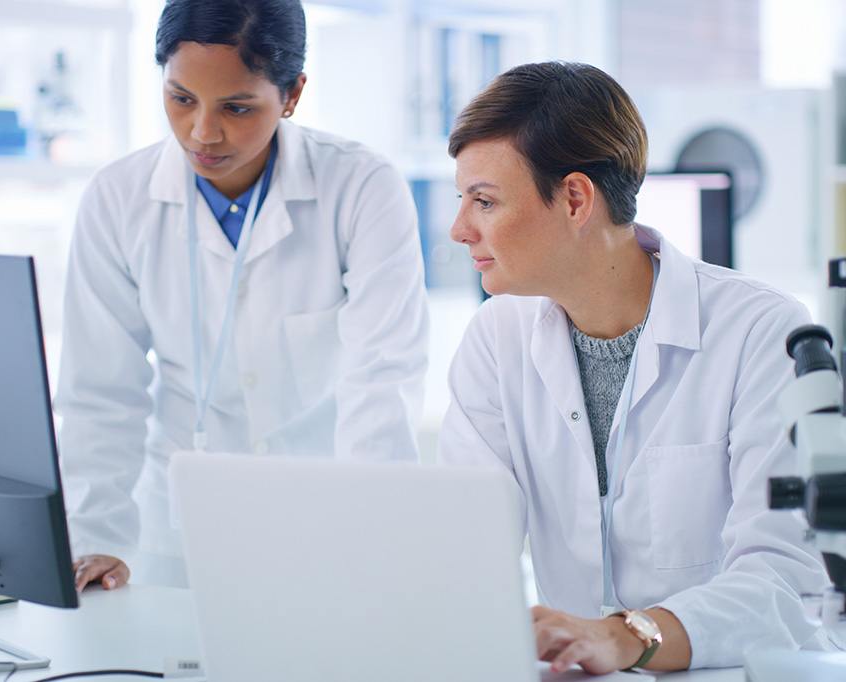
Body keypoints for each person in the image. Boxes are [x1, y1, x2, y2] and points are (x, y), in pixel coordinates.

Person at [438, 61, 830, 673]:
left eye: (484, 201)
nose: (460, 230)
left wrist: (627, 637)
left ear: (574, 199)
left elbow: (786, 578)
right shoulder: (496, 340)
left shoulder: (761, 331)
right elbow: (463, 550)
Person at [56, 0, 428, 592]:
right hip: (174, 529)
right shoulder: (118, 198)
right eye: (181, 99)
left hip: (326, 524)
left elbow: (381, 381)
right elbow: (101, 393)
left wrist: (373, 532)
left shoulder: (362, 189)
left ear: (292, 94)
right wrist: (96, 536)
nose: (202, 132)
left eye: (236, 107)